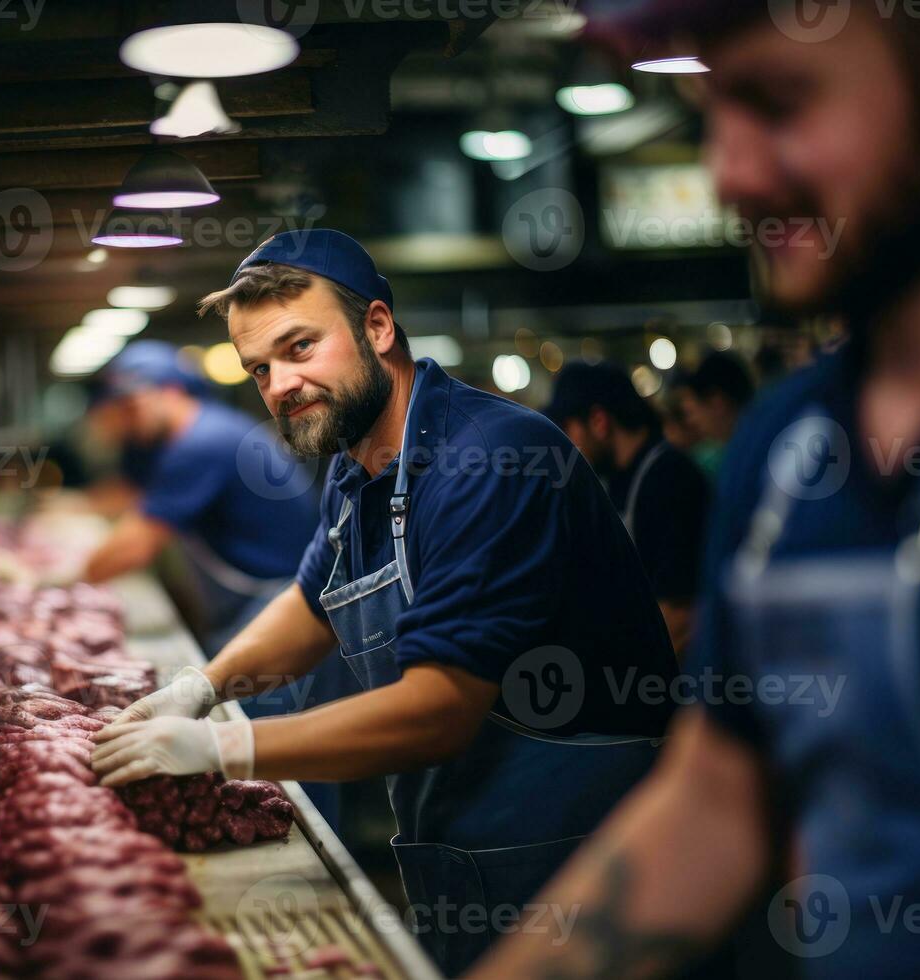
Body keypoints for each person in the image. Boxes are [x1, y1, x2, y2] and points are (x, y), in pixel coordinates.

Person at [472, 6, 920, 977]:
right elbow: (718, 794)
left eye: (776, 100)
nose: (732, 173)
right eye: (713, 110)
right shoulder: (785, 443)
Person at [89, 229, 678, 974]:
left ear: (377, 326)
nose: (278, 385)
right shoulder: (357, 461)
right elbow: (311, 607)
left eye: (299, 348)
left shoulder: (488, 463)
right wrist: (200, 689)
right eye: (258, 368)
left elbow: (438, 708)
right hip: (462, 845)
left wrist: (225, 749)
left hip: (584, 854)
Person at [79, 340, 317, 653]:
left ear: (173, 391)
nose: (129, 418)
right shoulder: (208, 427)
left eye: (134, 405)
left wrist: (63, 581)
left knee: (270, 700)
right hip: (264, 594)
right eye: (121, 408)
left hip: (282, 601)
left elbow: (134, 548)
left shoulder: (201, 443)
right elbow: (137, 496)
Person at [547, 362, 711, 655]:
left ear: (599, 421)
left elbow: (680, 613)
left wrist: (635, 690)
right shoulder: (617, 480)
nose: (565, 445)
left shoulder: (670, 478)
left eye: (567, 429)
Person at [675, 351, 756, 478]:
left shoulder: (751, 455)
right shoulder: (737, 449)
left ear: (717, 403)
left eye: (691, 412)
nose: (690, 421)